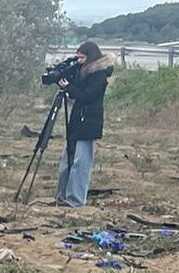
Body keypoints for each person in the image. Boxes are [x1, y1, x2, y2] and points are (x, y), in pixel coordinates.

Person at [53, 41, 113, 209]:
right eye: (77, 58)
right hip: (77, 121)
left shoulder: (98, 74)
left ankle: (75, 199)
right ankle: (62, 196)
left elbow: (87, 96)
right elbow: (78, 92)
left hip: (88, 122)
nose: (79, 61)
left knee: (81, 163)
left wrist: (69, 88)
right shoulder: (82, 72)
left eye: (82, 58)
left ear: (90, 57)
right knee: (68, 160)